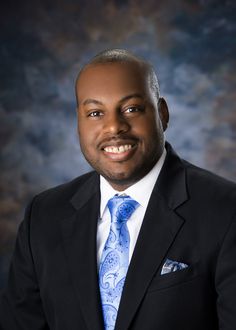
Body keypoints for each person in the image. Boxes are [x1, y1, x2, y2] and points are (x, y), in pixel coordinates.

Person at [0, 48, 236, 330]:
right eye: (95, 112)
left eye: (131, 109)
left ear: (162, 114)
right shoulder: (43, 216)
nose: (114, 126)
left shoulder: (225, 211)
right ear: (78, 123)